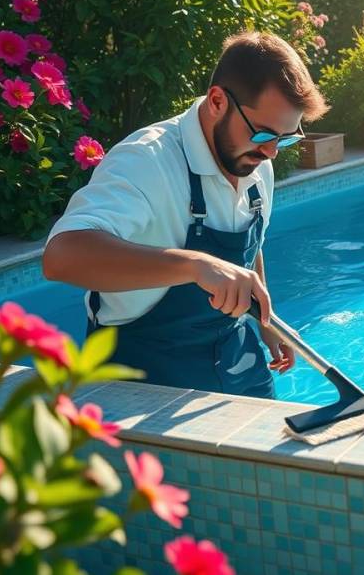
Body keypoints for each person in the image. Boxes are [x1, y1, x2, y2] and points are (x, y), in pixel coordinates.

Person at [42, 31, 328, 399]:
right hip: (139, 375)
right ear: (217, 101)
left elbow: (250, 243)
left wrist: (265, 320)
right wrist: (194, 264)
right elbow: (61, 256)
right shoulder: (146, 161)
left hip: (237, 356)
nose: (272, 152)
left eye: (286, 138)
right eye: (262, 136)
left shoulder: (256, 164)